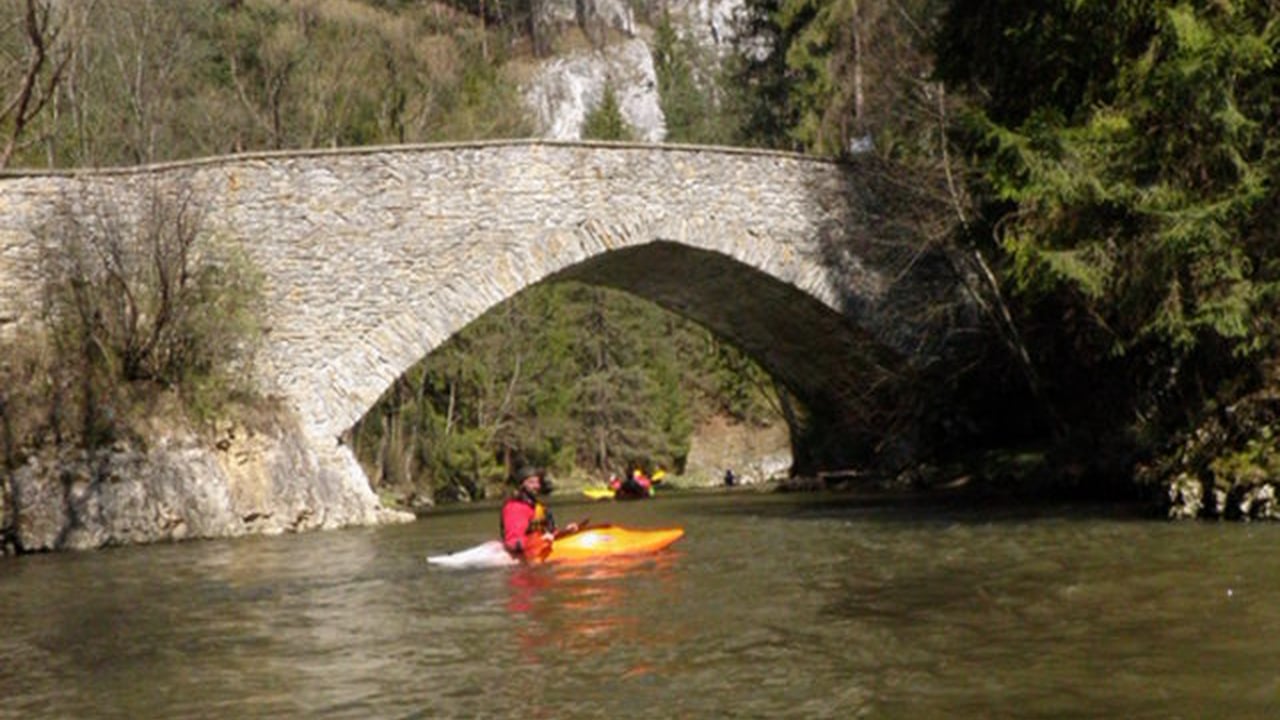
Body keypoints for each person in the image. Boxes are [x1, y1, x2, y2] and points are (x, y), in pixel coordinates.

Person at [500, 466, 577, 560]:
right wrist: (538, 541)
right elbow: (513, 543)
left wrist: (566, 532)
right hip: (522, 557)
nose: (537, 486)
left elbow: (549, 533)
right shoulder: (515, 508)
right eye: (531, 482)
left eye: (537, 482)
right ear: (521, 485)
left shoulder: (538, 507)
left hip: (538, 547)